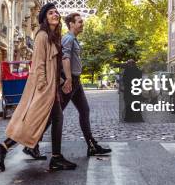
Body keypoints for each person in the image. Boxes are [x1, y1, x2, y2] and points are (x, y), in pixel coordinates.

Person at [0, 3, 76, 172]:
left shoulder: (52, 36)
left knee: (48, 120)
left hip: (51, 87)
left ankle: (3, 148)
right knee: (36, 121)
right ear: (44, 18)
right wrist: (44, 87)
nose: (55, 15)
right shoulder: (42, 35)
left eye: (56, 13)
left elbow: (53, 66)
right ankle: (53, 157)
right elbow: (38, 64)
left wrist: (59, 82)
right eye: (51, 13)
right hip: (43, 88)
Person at [25, 12, 111, 158]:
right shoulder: (68, 39)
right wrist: (68, 80)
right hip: (69, 81)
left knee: (84, 110)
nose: (82, 24)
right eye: (80, 22)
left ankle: (91, 145)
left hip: (75, 81)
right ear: (71, 24)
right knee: (55, 116)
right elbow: (64, 58)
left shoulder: (73, 40)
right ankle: (32, 144)